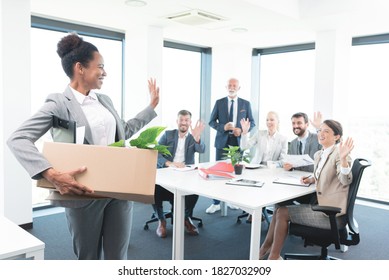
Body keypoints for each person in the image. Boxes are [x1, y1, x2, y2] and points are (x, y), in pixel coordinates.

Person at [7, 33, 160, 260]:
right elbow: (18, 139)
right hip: (82, 194)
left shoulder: (104, 100)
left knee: (118, 257)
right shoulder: (58, 103)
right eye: (100, 66)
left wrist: (151, 107)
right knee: (87, 259)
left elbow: (124, 130)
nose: (105, 72)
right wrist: (52, 175)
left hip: (118, 190)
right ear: (80, 68)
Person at [259, 119, 354, 260]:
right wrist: (312, 179)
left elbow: (345, 179)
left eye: (326, 131)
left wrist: (344, 158)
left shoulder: (338, 154)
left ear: (337, 137)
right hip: (321, 203)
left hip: (332, 215)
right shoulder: (319, 154)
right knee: (279, 207)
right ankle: (267, 247)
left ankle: (273, 256)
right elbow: (324, 173)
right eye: (320, 130)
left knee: (282, 213)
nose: (321, 133)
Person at [152, 110, 205, 238]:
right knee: (154, 189)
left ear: (190, 122)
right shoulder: (168, 135)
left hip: (185, 174)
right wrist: (169, 163)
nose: (184, 123)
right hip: (167, 172)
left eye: (186, 120)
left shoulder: (193, 137)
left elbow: (201, 150)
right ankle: (161, 220)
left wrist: (197, 138)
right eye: (181, 120)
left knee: (194, 191)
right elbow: (156, 152)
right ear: (177, 121)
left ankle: (185, 218)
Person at [206, 78, 255, 214]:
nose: (232, 87)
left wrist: (241, 130)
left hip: (237, 142)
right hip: (222, 142)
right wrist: (223, 127)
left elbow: (252, 122)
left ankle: (232, 200)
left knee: (235, 172)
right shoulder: (219, 102)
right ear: (225, 87)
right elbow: (211, 121)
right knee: (219, 172)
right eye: (229, 85)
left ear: (239, 88)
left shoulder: (246, 104)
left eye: (234, 85)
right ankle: (215, 203)